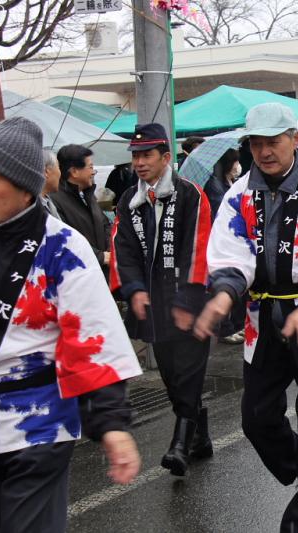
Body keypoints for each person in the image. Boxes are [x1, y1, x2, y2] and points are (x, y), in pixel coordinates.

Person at [0, 117, 142, 533]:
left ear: (24, 186)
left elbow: (93, 338)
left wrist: (111, 424)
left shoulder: (63, 247)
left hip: (38, 421)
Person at [193, 103, 298, 533]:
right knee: (256, 417)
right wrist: (224, 294)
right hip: (263, 315)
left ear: (295, 139)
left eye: (273, 141)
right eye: (256, 143)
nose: (265, 151)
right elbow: (231, 254)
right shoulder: (238, 194)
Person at [110, 122, 213, 477]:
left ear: (166, 157)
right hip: (153, 303)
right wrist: (134, 288)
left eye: (147, 155)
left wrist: (187, 299)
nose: (139, 162)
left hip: (189, 300)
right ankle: (201, 436)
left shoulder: (190, 194)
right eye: (135, 155)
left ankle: (180, 445)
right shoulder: (128, 200)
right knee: (170, 372)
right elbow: (122, 248)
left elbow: (197, 248)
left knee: (188, 368)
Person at [203, 148, 246, 344]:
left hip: (235, 240)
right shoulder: (215, 185)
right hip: (222, 239)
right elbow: (219, 211)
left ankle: (234, 326)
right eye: (235, 162)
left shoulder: (231, 182)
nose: (238, 166)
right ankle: (225, 329)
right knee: (225, 285)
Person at [51, 145, 111, 271]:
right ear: (74, 172)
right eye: (90, 167)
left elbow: (105, 225)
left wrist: (111, 250)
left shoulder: (88, 194)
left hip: (102, 272)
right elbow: (64, 240)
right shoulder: (55, 201)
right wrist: (100, 257)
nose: (93, 172)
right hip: (80, 272)